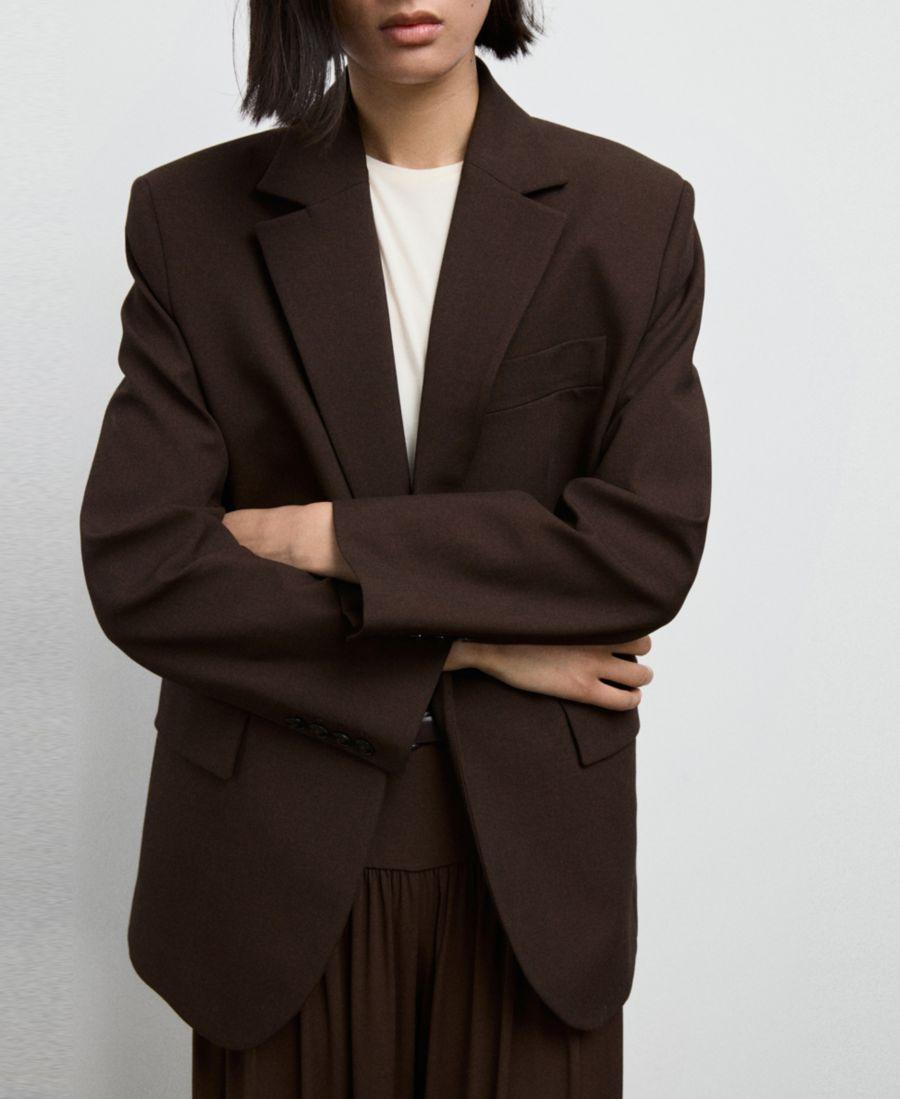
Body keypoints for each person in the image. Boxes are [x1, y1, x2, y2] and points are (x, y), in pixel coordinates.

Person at [79, 1, 711, 1095]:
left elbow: (641, 549)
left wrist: (330, 535)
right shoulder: (190, 218)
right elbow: (146, 569)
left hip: (534, 876)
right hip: (266, 864)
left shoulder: (633, 215)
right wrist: (470, 642)